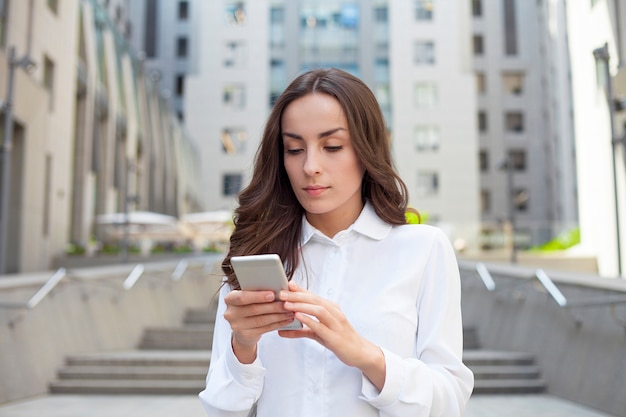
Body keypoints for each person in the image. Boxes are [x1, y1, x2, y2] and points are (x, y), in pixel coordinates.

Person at [199, 68, 474, 417]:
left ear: (366, 149)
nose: (310, 166)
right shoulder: (257, 255)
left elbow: (449, 402)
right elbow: (220, 412)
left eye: (332, 146)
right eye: (294, 149)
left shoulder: (423, 249)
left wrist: (365, 355)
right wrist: (243, 346)